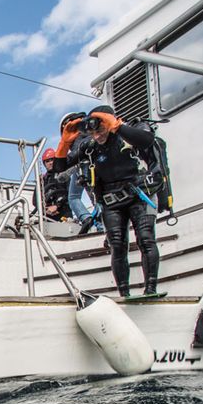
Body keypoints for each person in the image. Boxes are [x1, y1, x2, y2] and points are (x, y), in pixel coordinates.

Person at [55, 105, 162, 298]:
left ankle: (151, 287)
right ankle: (124, 292)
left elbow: (147, 140)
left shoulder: (128, 134)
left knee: (146, 240)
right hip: (111, 201)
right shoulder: (89, 146)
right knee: (117, 246)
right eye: (93, 132)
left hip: (138, 194)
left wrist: (116, 126)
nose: (97, 136)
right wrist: (64, 143)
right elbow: (59, 169)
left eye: (100, 130)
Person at [58, 111, 94, 225]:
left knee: (74, 197)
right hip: (98, 164)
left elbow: (75, 156)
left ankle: (87, 218)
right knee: (97, 195)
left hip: (84, 166)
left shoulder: (74, 137)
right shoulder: (90, 131)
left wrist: (63, 174)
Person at [35, 148, 70, 221]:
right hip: (47, 216)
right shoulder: (42, 180)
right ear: (44, 164)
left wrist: (57, 206)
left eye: (52, 160)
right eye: (47, 161)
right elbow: (35, 200)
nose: (50, 162)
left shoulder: (63, 174)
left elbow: (70, 193)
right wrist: (45, 209)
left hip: (64, 214)